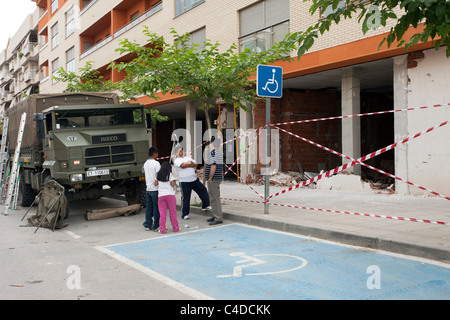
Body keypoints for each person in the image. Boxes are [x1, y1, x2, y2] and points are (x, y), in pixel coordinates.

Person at [173, 147, 211, 220]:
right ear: (176, 153)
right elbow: (182, 165)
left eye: (182, 151)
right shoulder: (177, 160)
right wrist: (189, 163)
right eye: (180, 151)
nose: (182, 152)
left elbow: (195, 164)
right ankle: (185, 214)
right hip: (184, 182)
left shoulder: (188, 157)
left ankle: (205, 205)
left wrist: (188, 164)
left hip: (194, 180)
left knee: (203, 190)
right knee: (186, 198)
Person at [155, 162, 180, 234]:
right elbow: (172, 184)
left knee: (162, 214)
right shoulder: (170, 174)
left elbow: (155, 183)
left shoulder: (157, 174)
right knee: (173, 212)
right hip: (170, 195)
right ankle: (175, 228)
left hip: (161, 195)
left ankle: (162, 229)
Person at [205, 136, 224, 225]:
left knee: (214, 198)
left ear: (212, 144)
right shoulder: (218, 153)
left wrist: (210, 177)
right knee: (214, 198)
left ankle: (218, 217)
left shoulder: (213, 153)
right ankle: (215, 215)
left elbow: (213, 166)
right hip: (217, 178)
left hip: (214, 179)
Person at [143, 147, 160, 231]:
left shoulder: (145, 163)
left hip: (148, 188)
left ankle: (147, 224)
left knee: (149, 207)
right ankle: (156, 225)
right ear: (154, 154)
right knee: (156, 207)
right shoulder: (156, 163)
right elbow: (158, 175)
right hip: (155, 188)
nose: (157, 155)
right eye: (157, 154)